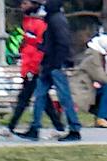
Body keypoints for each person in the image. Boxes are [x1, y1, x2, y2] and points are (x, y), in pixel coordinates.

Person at [18, 0, 81, 140]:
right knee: (40, 95)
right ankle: (35, 127)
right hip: (49, 64)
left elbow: (62, 43)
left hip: (54, 65)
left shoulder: (56, 19)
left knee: (63, 97)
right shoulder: (53, 18)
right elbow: (51, 43)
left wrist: (56, 62)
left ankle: (74, 129)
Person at [1, 4, 67, 135]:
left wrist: (34, 67)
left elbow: (39, 49)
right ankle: (58, 127)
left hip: (35, 67)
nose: (21, 6)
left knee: (24, 98)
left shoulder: (39, 25)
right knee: (43, 99)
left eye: (25, 3)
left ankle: (11, 127)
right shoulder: (28, 23)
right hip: (30, 67)